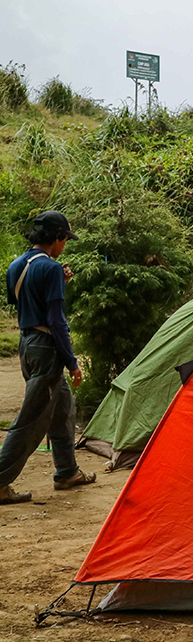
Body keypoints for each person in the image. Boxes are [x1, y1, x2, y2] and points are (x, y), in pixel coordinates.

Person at [0, 211, 94, 505]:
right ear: (57, 238)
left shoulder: (16, 265)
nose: (65, 245)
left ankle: (67, 471)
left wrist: (57, 282)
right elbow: (56, 320)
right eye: (65, 239)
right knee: (31, 420)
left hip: (27, 344)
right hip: (47, 348)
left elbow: (21, 300)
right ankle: (1, 481)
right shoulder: (51, 269)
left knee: (63, 407)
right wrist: (72, 361)